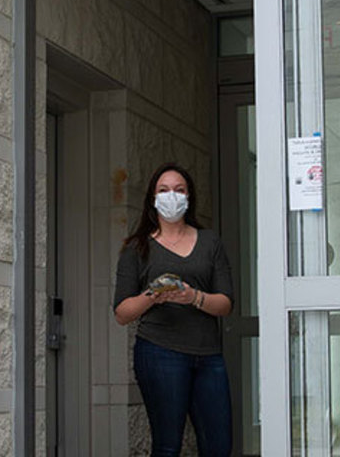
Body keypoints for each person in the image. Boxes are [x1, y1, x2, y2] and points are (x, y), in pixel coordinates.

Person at [114, 163, 234, 457]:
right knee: (167, 446)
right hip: (159, 352)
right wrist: (154, 294)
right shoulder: (137, 247)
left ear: (189, 196)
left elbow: (226, 303)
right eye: (164, 190)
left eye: (179, 190)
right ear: (152, 198)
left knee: (219, 446)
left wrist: (194, 297)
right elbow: (121, 312)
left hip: (208, 355)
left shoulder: (210, 242)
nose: (172, 196)